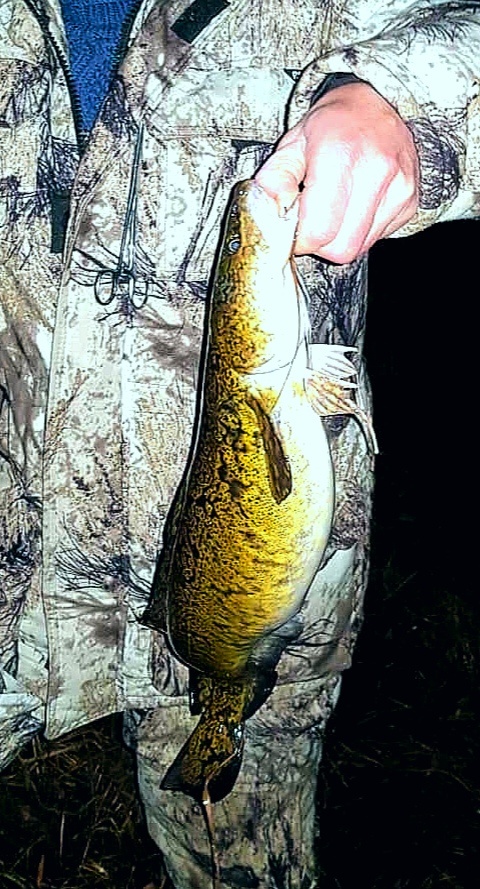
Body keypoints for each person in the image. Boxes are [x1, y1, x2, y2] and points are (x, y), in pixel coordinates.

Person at [0, 1, 479, 886]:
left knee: (238, 862)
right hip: (13, 571)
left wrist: (401, 99)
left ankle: (217, 733)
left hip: (260, 625)